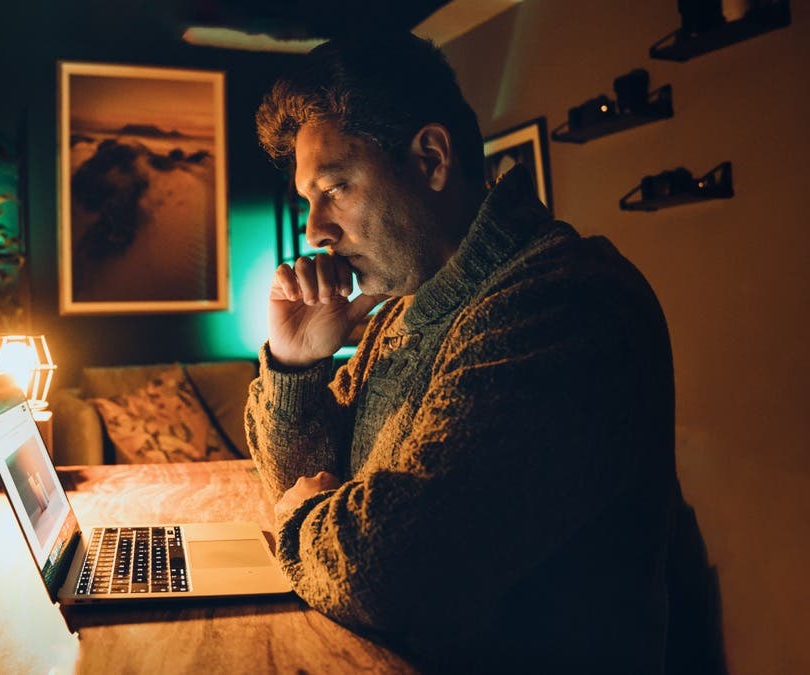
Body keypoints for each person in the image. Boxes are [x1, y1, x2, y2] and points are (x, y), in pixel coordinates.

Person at [245, 35, 721, 674]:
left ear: (431, 159)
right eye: (311, 200)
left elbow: (396, 569)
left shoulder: (565, 302)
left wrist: (301, 518)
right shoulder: (405, 309)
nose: (315, 230)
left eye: (336, 188)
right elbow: (298, 473)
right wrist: (297, 365)